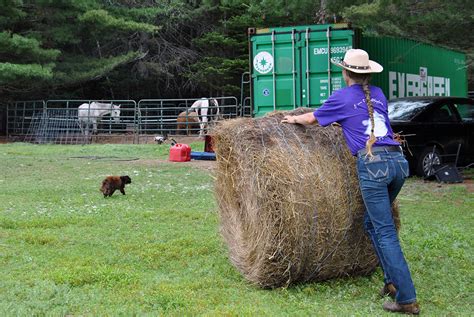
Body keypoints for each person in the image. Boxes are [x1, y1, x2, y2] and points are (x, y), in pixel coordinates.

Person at [281, 49, 420, 315]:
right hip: (398, 162)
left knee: (385, 232)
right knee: (373, 223)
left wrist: (291, 119)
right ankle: (391, 282)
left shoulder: (342, 97)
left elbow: (311, 119)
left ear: (345, 73)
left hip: (373, 165)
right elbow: (371, 124)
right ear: (366, 73)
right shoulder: (377, 94)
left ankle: (407, 298)